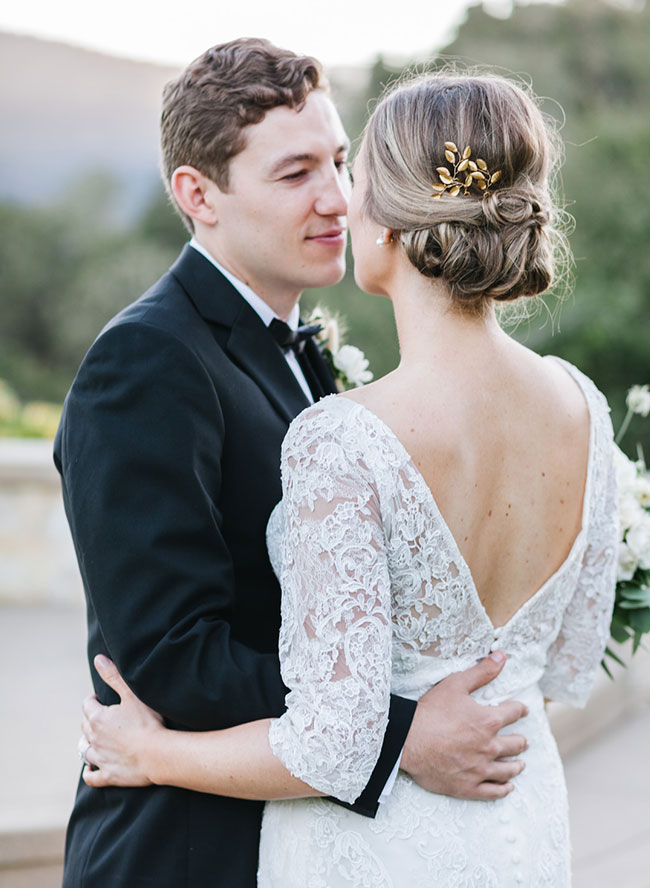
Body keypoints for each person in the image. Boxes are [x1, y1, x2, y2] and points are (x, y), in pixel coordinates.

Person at [78, 70, 618, 887]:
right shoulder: (582, 406)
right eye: (299, 174)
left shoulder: (344, 415)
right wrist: (408, 730)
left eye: (344, 168)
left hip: (381, 832)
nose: (336, 198)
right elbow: (169, 651)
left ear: (396, 222)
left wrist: (153, 753)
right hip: (485, 821)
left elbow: (338, 719)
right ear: (197, 192)